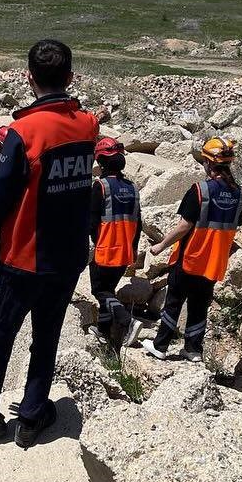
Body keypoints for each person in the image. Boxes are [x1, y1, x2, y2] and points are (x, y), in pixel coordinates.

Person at [0, 39, 99, 448]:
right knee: (46, 336)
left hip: (23, 258)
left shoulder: (22, 133)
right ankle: (32, 417)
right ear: (69, 77)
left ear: (28, 78)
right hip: (67, 258)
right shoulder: (88, 125)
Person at [144, 138, 242, 362]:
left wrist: (160, 246)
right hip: (215, 262)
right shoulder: (239, 194)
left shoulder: (201, 190)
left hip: (191, 257)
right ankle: (193, 350)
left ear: (208, 163)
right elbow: (233, 226)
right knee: (199, 305)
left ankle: (160, 345)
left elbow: (184, 226)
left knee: (174, 301)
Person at [89, 137, 143, 349]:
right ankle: (103, 331)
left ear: (101, 162)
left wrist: (94, 243)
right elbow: (138, 222)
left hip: (106, 248)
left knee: (99, 290)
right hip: (125, 249)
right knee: (109, 288)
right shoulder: (132, 188)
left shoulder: (100, 186)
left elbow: (92, 222)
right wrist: (134, 247)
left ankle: (127, 321)